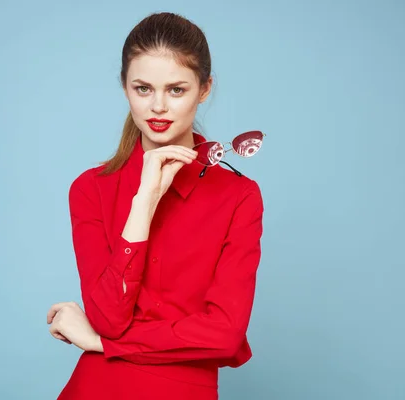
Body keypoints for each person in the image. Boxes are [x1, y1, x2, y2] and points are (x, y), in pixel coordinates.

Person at [46, 11, 264, 400]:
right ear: (125, 87)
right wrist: (144, 200)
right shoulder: (90, 189)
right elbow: (108, 318)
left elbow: (225, 337)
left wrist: (100, 343)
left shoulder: (238, 197)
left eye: (176, 90)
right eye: (143, 88)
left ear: (204, 88)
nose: (158, 106)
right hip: (96, 388)